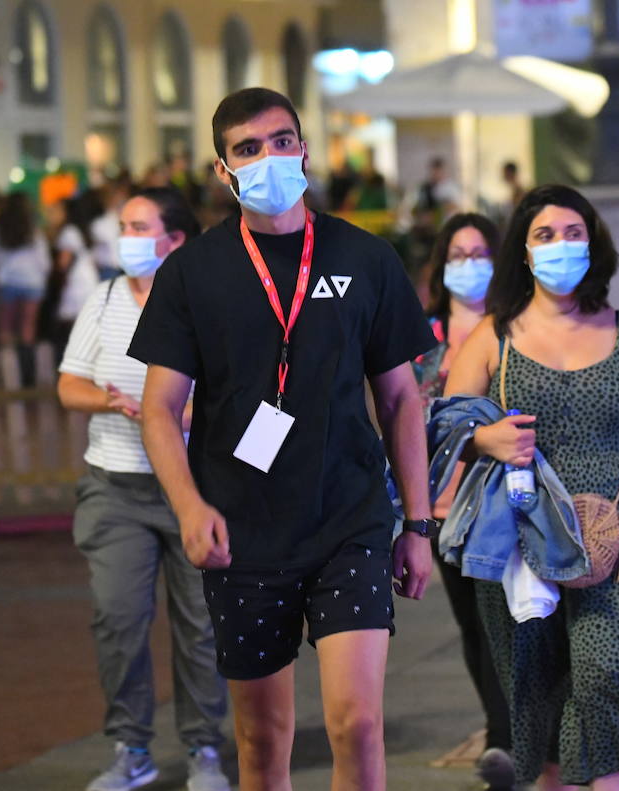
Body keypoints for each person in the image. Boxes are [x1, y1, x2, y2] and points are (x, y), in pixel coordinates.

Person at [128, 87, 437, 791]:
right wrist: (189, 508)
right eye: (248, 148)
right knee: (263, 742)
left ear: (302, 146)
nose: (268, 157)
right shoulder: (191, 273)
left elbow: (400, 400)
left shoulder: (365, 257)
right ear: (222, 169)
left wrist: (416, 524)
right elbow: (158, 409)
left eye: (281, 140)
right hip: (243, 531)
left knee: (356, 722)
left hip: (348, 520)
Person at [444, 184, 619, 790]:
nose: (560, 247)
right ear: (523, 252)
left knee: (603, 672)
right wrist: (484, 442)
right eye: (544, 235)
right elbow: (439, 432)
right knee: (537, 683)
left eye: (572, 234)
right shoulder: (493, 337)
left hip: (614, 539)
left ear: (593, 245)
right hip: (521, 539)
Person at [58, 186, 233, 791]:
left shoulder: (205, 304)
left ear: (175, 239)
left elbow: (237, 398)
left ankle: (206, 749)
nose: (125, 238)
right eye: (123, 226)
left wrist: (176, 417)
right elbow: (68, 385)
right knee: (118, 617)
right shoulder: (105, 299)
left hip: (192, 488)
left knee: (202, 627)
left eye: (138, 227)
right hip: (115, 489)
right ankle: (131, 747)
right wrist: (116, 403)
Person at [414, 212, 516, 788]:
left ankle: (506, 739)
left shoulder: (511, 329)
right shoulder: (421, 339)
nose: (468, 264)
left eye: (479, 253)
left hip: (498, 503)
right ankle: (500, 732)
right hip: (442, 507)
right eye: (457, 254)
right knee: (473, 628)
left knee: (501, 620)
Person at [0, 192, 51, 353]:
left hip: (8, 282)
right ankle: (26, 369)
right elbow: (44, 262)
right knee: (27, 328)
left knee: (6, 329)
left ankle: (9, 369)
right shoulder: (35, 233)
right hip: (33, 283)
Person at [53, 195, 103, 354]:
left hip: (76, 284)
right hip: (89, 280)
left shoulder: (68, 231)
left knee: (74, 330)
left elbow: (63, 263)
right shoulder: (83, 230)